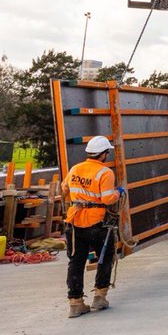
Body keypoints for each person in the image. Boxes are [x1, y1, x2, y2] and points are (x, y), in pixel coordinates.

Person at [63, 135, 124, 318]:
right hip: (97, 221)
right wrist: (118, 193)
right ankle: (100, 295)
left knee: (76, 262)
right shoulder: (105, 173)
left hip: (75, 220)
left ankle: (75, 303)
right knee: (105, 257)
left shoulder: (75, 168)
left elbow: (64, 189)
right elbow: (107, 198)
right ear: (104, 154)